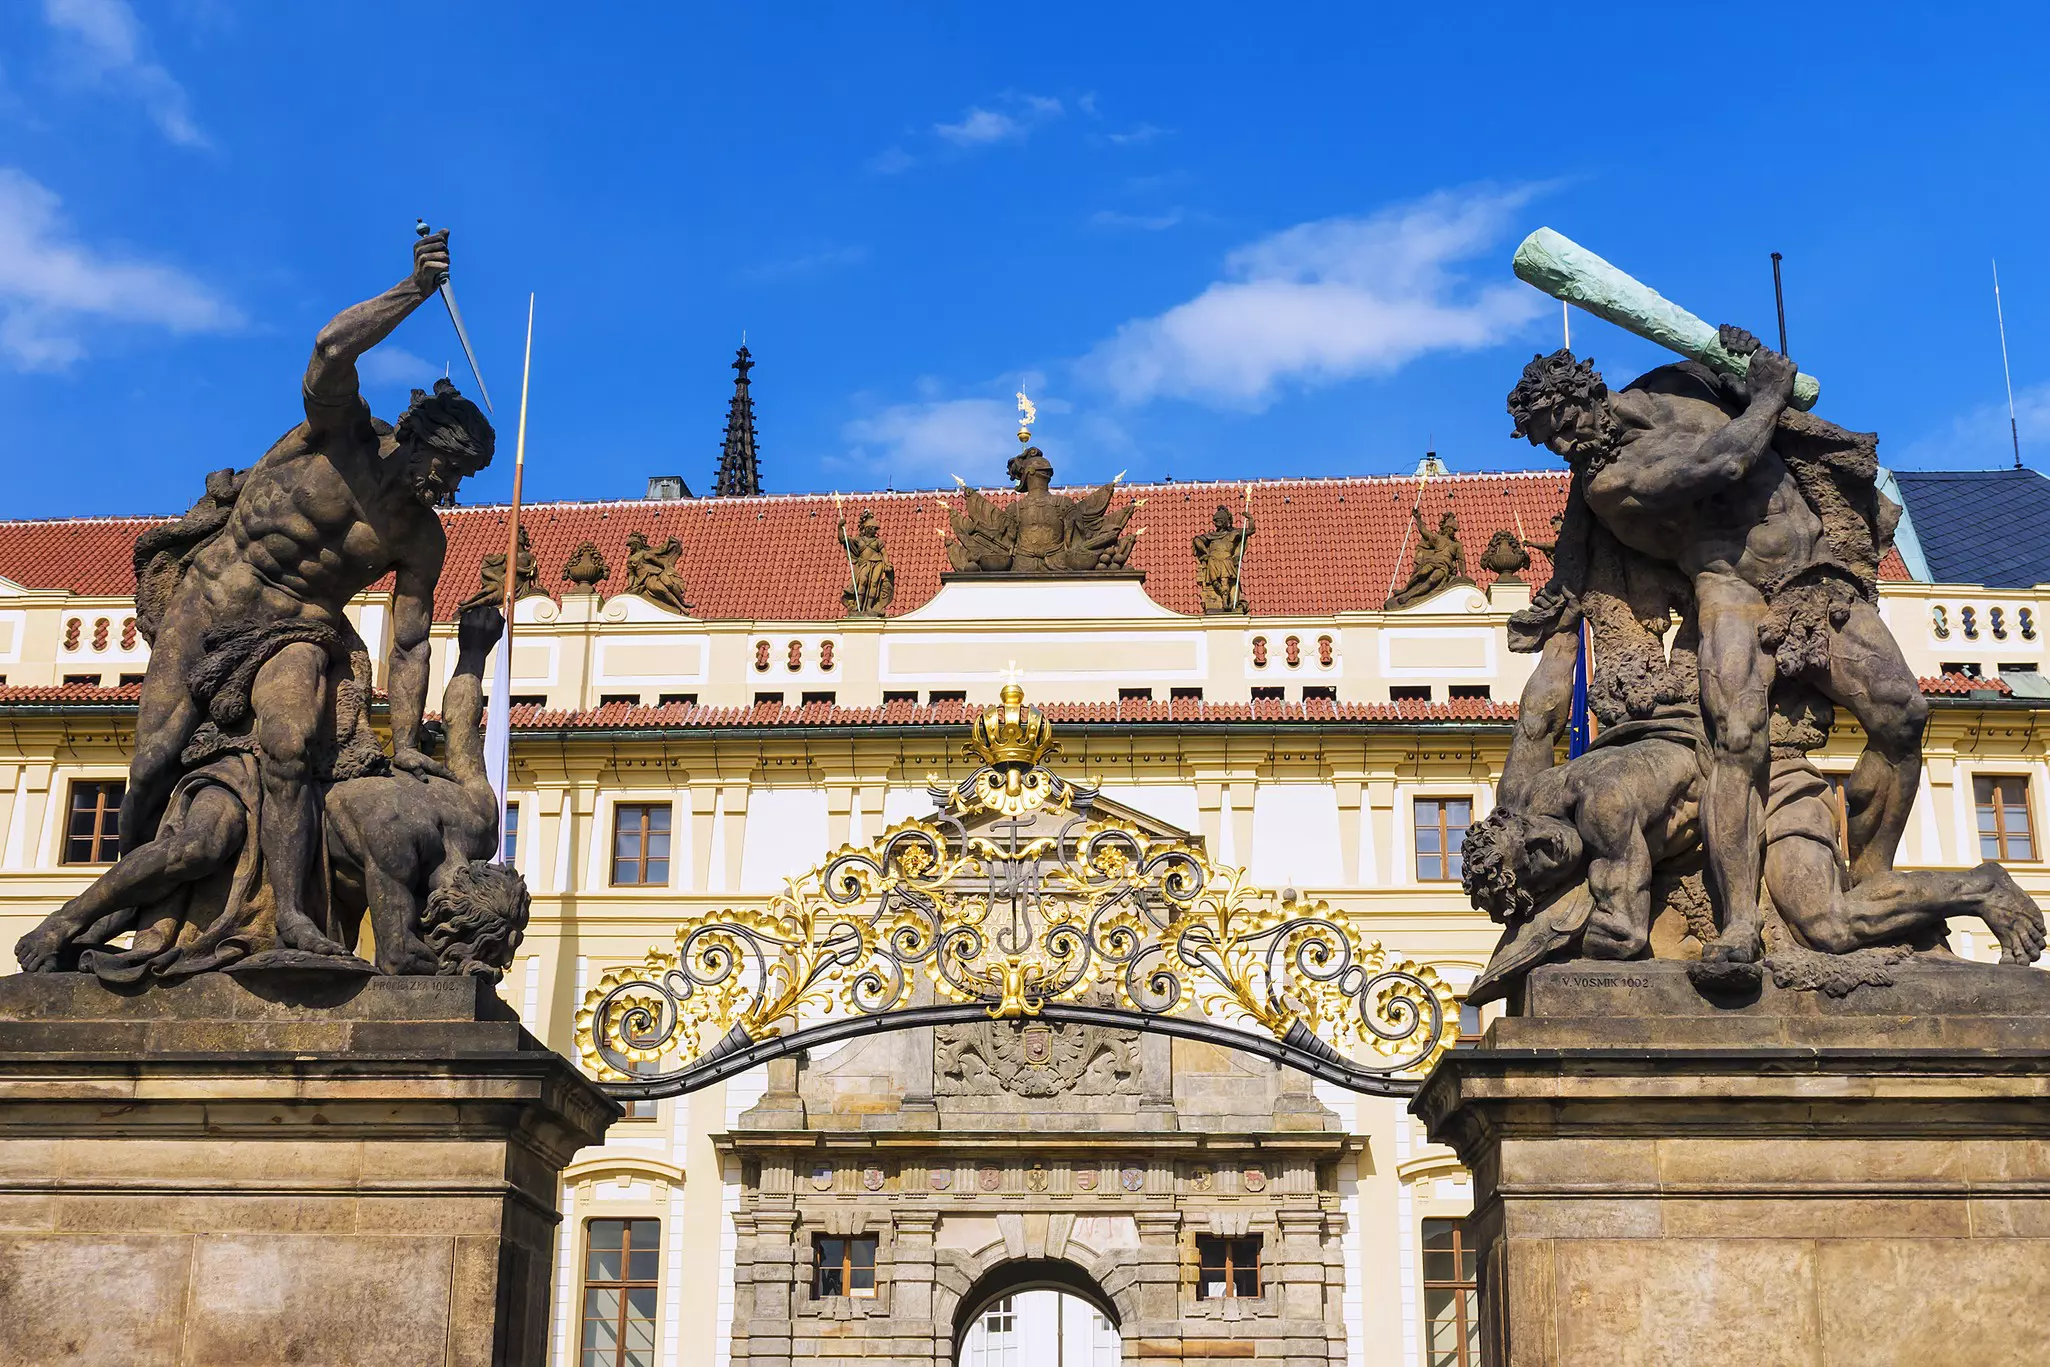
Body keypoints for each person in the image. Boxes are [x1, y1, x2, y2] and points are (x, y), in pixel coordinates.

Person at [16, 231, 493, 971]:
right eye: (448, 466)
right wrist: (413, 290)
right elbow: (332, 351)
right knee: (150, 767)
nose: (449, 486)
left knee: (291, 745)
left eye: (462, 477)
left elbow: (409, 645)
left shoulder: (421, 537)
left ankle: (295, 917)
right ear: (420, 438)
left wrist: (406, 746)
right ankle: (139, 916)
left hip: (299, 631)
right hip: (208, 608)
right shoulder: (342, 436)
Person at [1505, 329, 1926, 984]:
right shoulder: (1611, 483)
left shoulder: (1673, 381)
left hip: (1819, 576)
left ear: (1585, 393)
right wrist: (1767, 392)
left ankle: (1871, 872)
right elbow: (1725, 461)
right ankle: (1737, 923)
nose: (1563, 447)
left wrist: (1742, 353)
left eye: (1560, 426)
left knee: (1905, 717)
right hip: (1732, 595)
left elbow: (1743, 388)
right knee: (1736, 738)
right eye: (1547, 441)